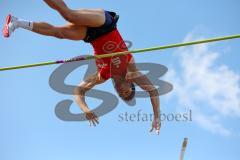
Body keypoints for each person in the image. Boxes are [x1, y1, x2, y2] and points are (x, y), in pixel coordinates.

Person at [3, 0, 161, 134]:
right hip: (105, 24)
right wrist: (156, 117)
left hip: (91, 36)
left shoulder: (102, 76)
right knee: (68, 14)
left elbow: (78, 91)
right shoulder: (131, 71)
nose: (122, 91)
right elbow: (152, 91)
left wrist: (86, 110)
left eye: (121, 94)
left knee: (58, 33)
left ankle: (16, 22)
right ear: (130, 84)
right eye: (127, 91)